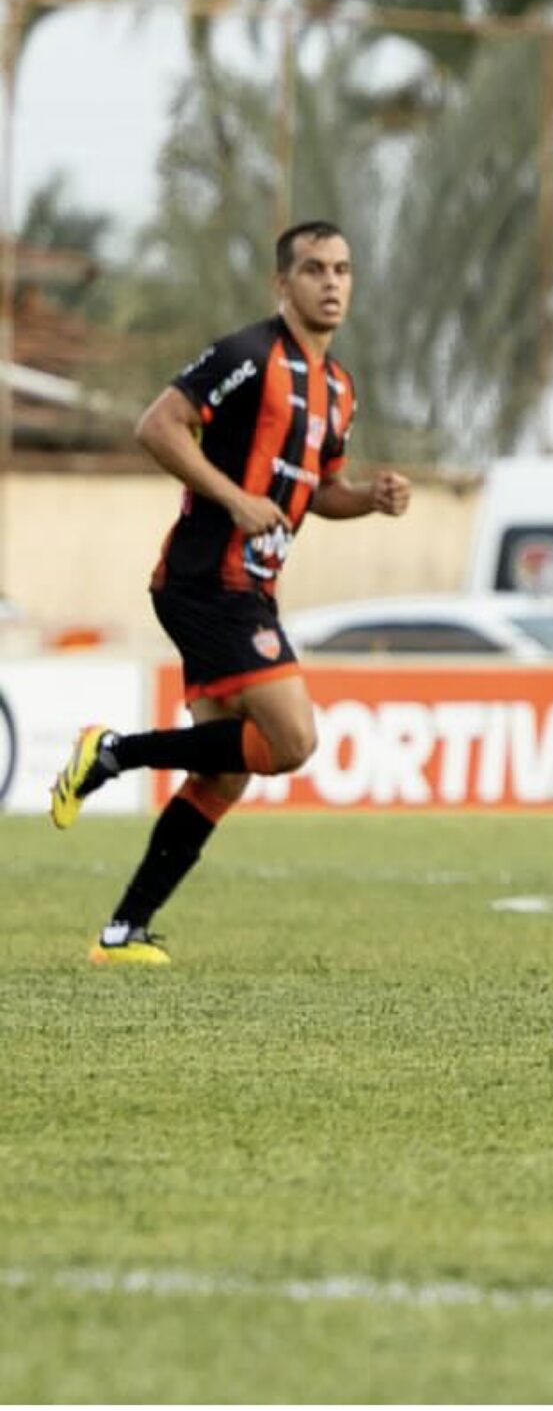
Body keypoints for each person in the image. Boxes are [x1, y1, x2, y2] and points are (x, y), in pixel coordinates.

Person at [48, 221, 411, 963]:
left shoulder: (339, 388)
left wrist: (368, 497)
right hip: (207, 576)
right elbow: (159, 426)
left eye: (342, 268)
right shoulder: (247, 355)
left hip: (251, 586)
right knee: (295, 739)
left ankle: (122, 933)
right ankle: (113, 753)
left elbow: (319, 491)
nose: (332, 282)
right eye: (314, 269)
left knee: (226, 773)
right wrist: (236, 499)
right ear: (283, 284)